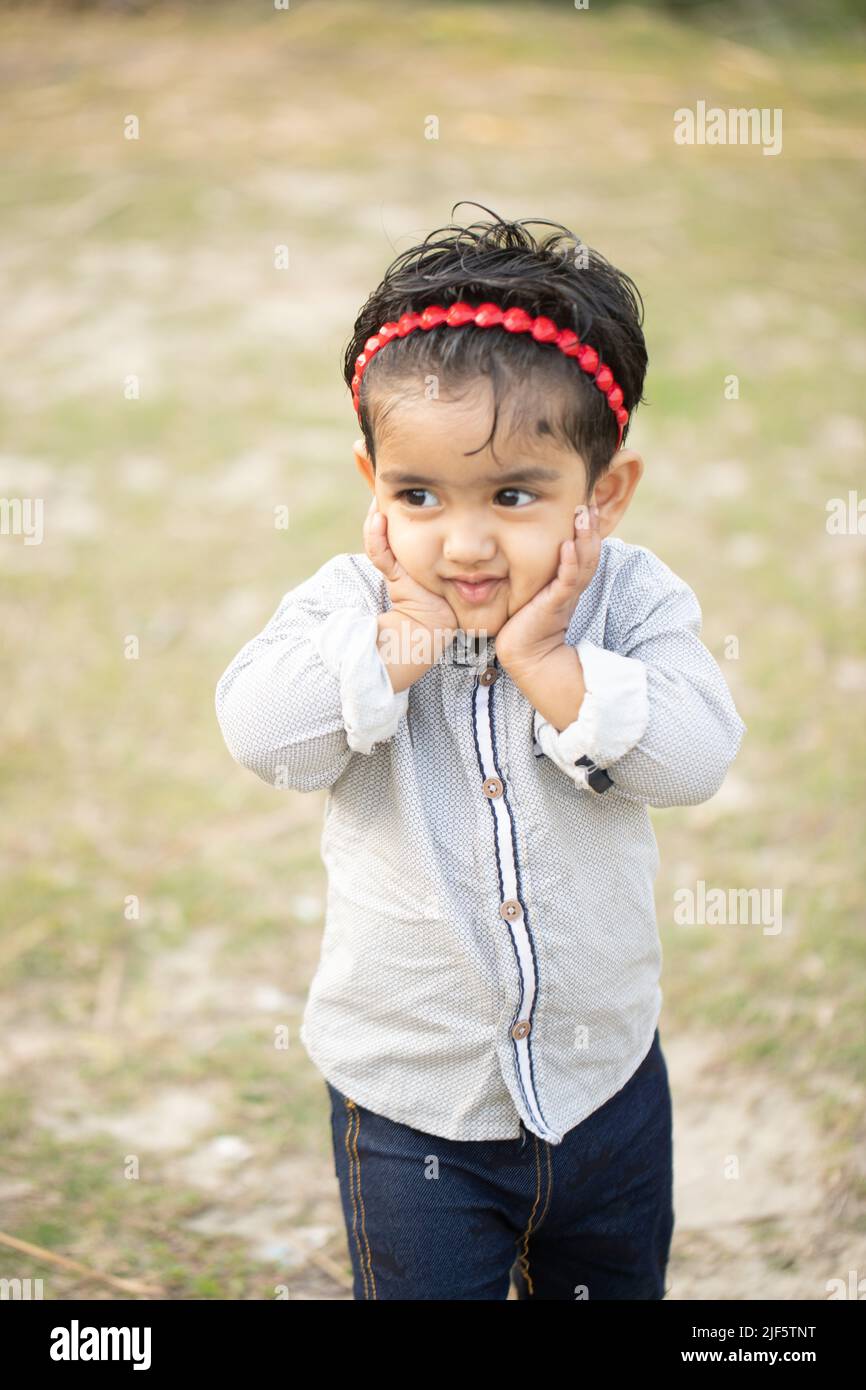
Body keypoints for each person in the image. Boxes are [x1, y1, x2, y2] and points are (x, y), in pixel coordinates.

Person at [214, 203, 747, 1300]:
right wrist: (402, 640)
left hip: (603, 1088)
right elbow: (260, 731)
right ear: (372, 486)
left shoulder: (631, 601)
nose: (461, 541)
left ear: (600, 493)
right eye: (417, 496)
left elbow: (694, 757)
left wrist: (549, 662)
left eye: (512, 495)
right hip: (412, 1110)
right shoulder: (353, 606)